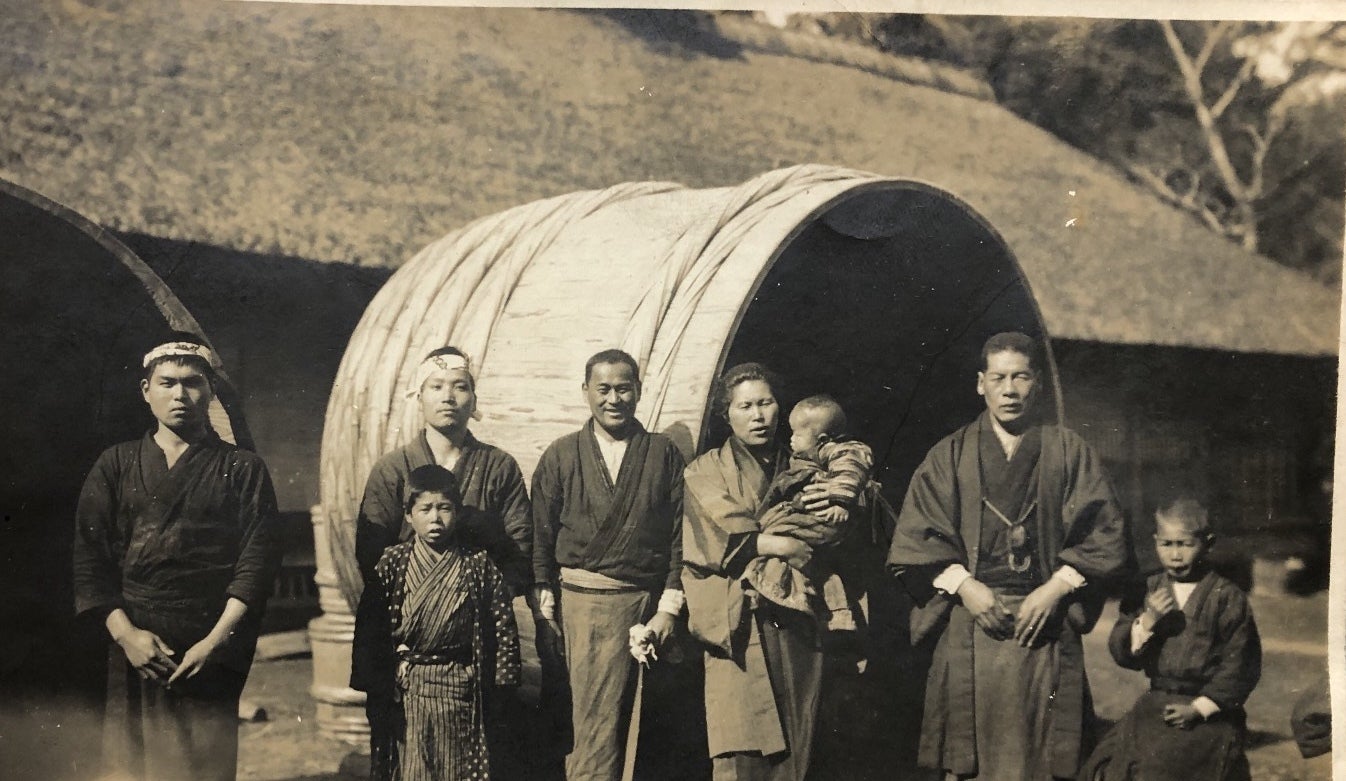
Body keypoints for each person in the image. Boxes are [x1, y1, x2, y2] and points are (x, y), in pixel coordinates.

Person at [887, 331, 1129, 781]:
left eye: (1021, 377)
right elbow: (917, 538)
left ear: (1038, 383)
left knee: (1042, 758)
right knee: (971, 760)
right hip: (973, 624)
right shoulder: (950, 454)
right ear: (981, 384)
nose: (1010, 390)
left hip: (1046, 624)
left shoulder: (1068, 451)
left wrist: (1057, 588)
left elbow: (1106, 531)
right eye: (998, 378)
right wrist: (967, 587)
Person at [72, 333, 282, 781]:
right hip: (135, 643)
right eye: (167, 383)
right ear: (146, 390)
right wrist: (127, 636)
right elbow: (90, 561)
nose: (180, 395)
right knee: (134, 766)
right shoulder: (115, 464)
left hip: (209, 642)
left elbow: (257, 563)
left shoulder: (243, 468)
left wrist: (216, 642)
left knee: (201, 767)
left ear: (211, 390)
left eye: (192, 383)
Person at [353, 346, 541, 779]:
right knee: (401, 754)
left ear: (474, 398)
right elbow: (372, 554)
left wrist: (473, 598)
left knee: (476, 753)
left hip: (474, 640)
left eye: (460, 387)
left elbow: (519, 545)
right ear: (418, 397)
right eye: (436, 386)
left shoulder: (498, 466)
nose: (448, 397)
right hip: (406, 637)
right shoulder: (392, 469)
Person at [531, 349, 688, 781]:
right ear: (585, 391)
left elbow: (681, 538)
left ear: (639, 390)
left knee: (640, 728)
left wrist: (668, 609)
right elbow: (540, 542)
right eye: (603, 389)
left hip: (644, 613)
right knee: (586, 726)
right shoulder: (562, 454)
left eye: (624, 388)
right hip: (578, 611)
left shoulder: (663, 453)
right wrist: (545, 615)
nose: (613, 399)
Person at [682, 362, 831, 781]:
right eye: (745, 406)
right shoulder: (704, 470)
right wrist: (780, 543)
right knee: (741, 747)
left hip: (797, 620)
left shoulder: (805, 465)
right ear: (726, 414)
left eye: (765, 403)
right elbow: (715, 535)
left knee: (799, 745)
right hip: (739, 623)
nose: (758, 415)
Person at [351, 465, 521, 781]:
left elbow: (503, 627)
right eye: (425, 509)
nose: (435, 519)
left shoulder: (478, 564)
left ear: (457, 512)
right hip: (407, 687)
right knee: (410, 768)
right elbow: (370, 629)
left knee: (458, 768)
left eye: (444, 508)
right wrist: (377, 685)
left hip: (460, 685)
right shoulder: (393, 562)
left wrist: (502, 685)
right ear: (408, 515)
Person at [1080, 498, 1262, 781]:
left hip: (1209, 714)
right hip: (1156, 705)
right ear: (1156, 542)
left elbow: (1241, 664)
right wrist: (1147, 622)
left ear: (1208, 544)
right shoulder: (1147, 589)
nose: (1175, 555)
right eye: (1167, 544)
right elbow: (1121, 652)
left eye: (1185, 545)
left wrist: (1199, 709)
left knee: (1159, 770)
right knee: (1104, 767)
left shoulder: (1227, 598)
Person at [745, 394, 874, 632]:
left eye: (797, 434)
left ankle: (766, 588)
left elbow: (850, 470)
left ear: (822, 439)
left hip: (823, 517)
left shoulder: (839, 451)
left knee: (772, 533)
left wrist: (840, 501)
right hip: (813, 517)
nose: (791, 439)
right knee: (776, 538)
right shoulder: (810, 452)